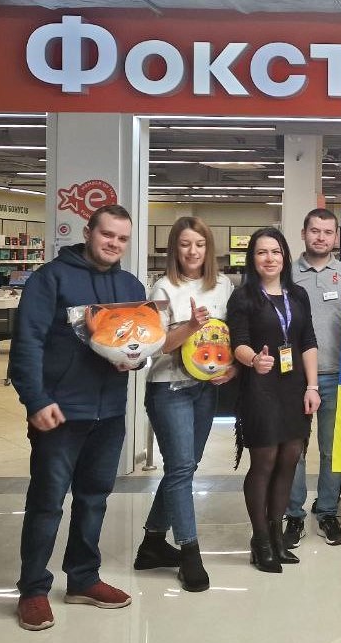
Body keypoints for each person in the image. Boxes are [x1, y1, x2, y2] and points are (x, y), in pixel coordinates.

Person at [10, 203, 146, 631]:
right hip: (59, 413)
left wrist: (135, 360)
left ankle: (83, 578)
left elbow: (139, 342)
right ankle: (33, 589)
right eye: (107, 234)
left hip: (110, 413)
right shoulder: (49, 279)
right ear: (88, 232)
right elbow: (27, 342)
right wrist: (35, 400)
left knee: (94, 499)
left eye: (122, 238)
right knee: (47, 502)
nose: (114, 244)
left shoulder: (130, 285)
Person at [135, 216, 234, 593]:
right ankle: (190, 552)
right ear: (174, 249)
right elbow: (157, 346)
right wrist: (190, 326)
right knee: (179, 469)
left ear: (209, 248)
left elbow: (226, 337)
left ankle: (152, 543)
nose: (193, 251)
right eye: (185, 244)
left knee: (186, 467)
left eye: (200, 244)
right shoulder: (163, 287)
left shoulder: (223, 285)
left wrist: (229, 368)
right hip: (169, 388)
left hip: (205, 389)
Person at [228, 227, 320, 573]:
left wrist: (312, 387)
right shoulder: (244, 297)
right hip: (260, 387)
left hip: (294, 387)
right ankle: (261, 539)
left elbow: (307, 340)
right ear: (252, 258)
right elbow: (237, 342)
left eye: (276, 252)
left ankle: (278, 537)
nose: (269, 258)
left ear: (285, 256)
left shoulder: (297, 295)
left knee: (289, 460)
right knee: (264, 462)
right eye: (261, 252)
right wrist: (254, 359)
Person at [282, 209, 341, 549]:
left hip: (337, 374)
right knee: (295, 450)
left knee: (332, 450)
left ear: (336, 238)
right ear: (304, 233)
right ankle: (294, 513)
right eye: (315, 230)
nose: (321, 237)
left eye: (328, 232)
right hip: (294, 377)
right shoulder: (286, 275)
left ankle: (328, 510)